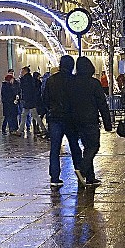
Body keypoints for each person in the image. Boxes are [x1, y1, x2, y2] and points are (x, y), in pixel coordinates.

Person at [70, 56, 113, 188]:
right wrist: (108, 123)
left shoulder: (73, 82)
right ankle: (83, 170)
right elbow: (102, 103)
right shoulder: (94, 83)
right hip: (90, 119)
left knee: (87, 147)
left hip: (76, 120)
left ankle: (90, 177)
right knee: (94, 146)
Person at [41, 55, 80, 187]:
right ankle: (80, 172)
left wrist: (49, 110)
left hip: (55, 118)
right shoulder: (74, 80)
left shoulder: (51, 80)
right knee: (74, 146)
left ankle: (54, 176)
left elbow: (45, 98)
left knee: (55, 148)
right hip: (70, 118)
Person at [18, 66, 47, 138]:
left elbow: (24, 88)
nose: (21, 73)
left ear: (25, 71)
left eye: (22, 71)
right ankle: (20, 130)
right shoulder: (30, 78)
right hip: (29, 100)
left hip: (29, 100)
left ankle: (43, 129)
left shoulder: (26, 79)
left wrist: (21, 79)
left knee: (34, 116)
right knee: (25, 115)